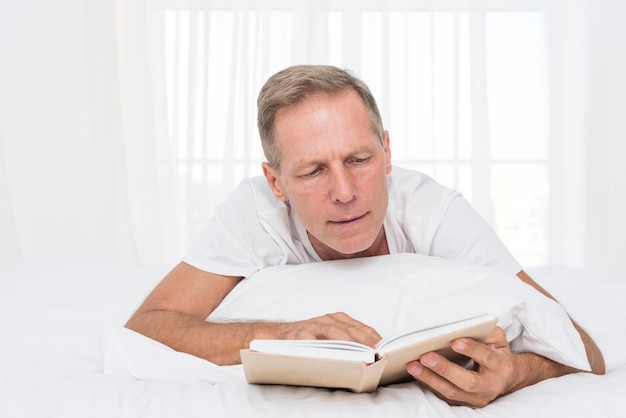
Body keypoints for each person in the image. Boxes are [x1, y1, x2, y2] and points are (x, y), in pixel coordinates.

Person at [126, 64, 604, 408]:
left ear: (387, 151)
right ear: (276, 184)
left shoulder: (434, 213)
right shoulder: (253, 214)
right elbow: (149, 325)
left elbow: (585, 349)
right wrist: (279, 335)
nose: (345, 192)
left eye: (359, 160)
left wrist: (515, 374)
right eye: (312, 170)